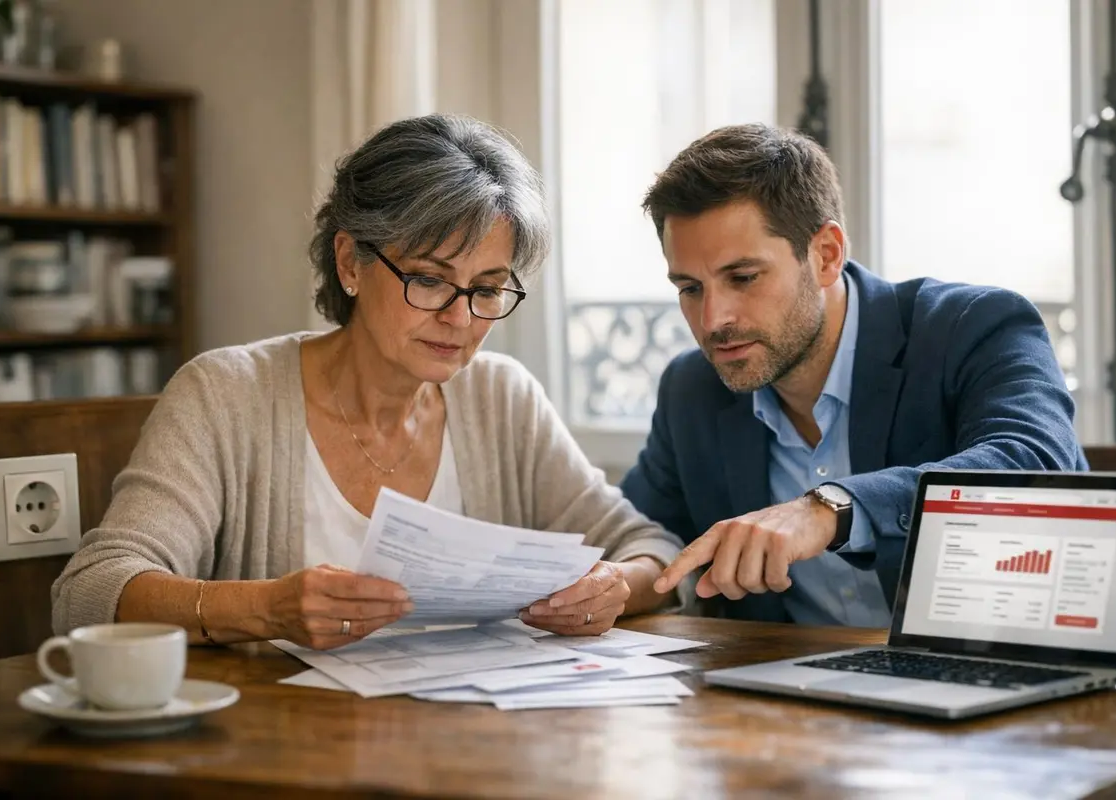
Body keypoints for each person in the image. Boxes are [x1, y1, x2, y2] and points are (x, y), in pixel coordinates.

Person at [51, 114, 686, 650]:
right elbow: (90, 592)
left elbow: (649, 549)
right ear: (351, 260)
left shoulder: (501, 397)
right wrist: (265, 609)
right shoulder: (226, 395)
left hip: (472, 748)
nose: (460, 318)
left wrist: (612, 589)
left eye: (488, 289)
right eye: (430, 279)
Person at [621, 122, 1116, 631]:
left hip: (1030, 675)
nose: (713, 320)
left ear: (826, 254)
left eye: (743, 277)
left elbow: (1036, 462)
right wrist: (617, 581)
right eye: (690, 288)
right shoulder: (691, 390)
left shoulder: (974, 327)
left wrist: (831, 509)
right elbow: (646, 537)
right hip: (798, 703)